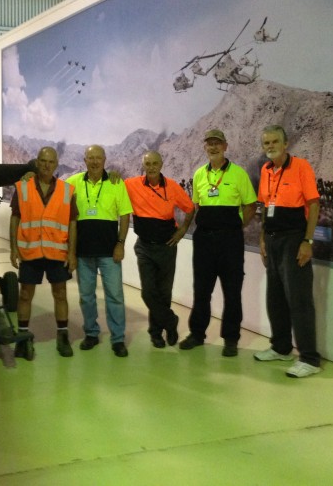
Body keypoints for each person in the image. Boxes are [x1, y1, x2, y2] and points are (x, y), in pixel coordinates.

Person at [179, 129, 257, 357]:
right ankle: (197, 335)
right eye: (209, 144)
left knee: (232, 291)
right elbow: (197, 206)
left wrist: (235, 226)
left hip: (230, 240)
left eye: (217, 143)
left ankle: (231, 339)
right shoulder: (199, 175)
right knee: (201, 290)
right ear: (205, 147)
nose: (213, 147)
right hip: (204, 240)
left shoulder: (238, 174)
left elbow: (250, 206)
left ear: (226, 146)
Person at [254, 124, 322, 378]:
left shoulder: (301, 166)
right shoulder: (266, 170)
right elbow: (264, 207)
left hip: (294, 239)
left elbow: (313, 205)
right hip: (272, 240)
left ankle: (309, 358)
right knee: (276, 297)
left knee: (299, 299)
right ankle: (281, 348)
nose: (270, 146)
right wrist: (262, 239)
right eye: (266, 143)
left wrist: (308, 241)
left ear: (285, 144)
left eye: (274, 142)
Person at [9, 146, 78, 358]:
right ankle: (22, 339)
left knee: (60, 294)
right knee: (25, 295)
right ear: (37, 162)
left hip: (57, 253)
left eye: (50, 162)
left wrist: (72, 253)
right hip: (30, 252)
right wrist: (13, 248)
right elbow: (15, 219)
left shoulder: (67, 191)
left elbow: (72, 222)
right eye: (42, 161)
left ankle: (63, 336)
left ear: (56, 164)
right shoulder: (22, 188)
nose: (46, 165)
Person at [66, 145, 133, 357]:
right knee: (86, 296)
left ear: (105, 160)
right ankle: (91, 334)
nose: (94, 162)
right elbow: (51, 188)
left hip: (109, 252)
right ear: (84, 160)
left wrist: (120, 243)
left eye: (98, 158)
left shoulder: (116, 182)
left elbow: (124, 215)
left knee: (115, 296)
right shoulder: (73, 183)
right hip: (83, 252)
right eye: (90, 158)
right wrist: (29, 176)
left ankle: (118, 339)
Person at [124, 151, 194, 348]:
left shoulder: (171, 186)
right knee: (148, 292)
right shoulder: (132, 184)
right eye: (148, 163)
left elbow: (190, 208)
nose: (152, 167)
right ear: (143, 165)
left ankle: (157, 332)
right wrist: (111, 174)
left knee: (164, 292)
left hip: (166, 247)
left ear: (161, 164)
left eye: (155, 163)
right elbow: (114, 186)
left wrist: (181, 232)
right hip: (144, 247)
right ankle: (170, 322)